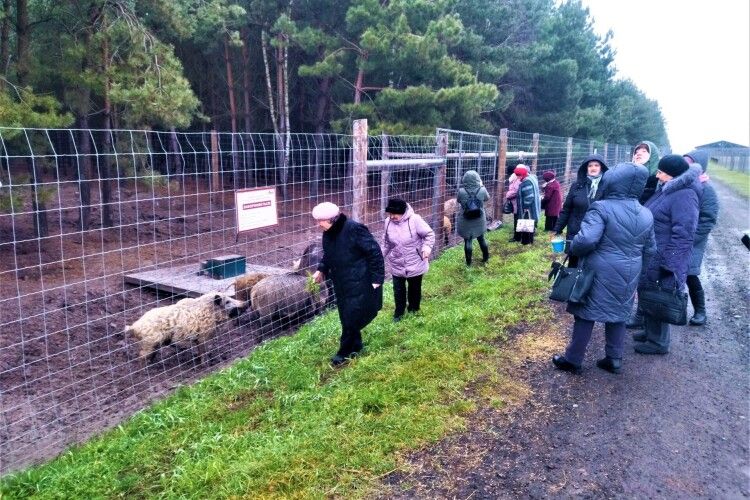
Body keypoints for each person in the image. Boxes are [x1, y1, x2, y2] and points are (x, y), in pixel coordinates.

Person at [552, 162, 655, 375]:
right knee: (619, 313)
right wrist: (638, 269)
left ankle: (573, 359)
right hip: (631, 269)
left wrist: (574, 246)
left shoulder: (602, 207)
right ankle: (614, 359)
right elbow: (651, 249)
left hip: (598, 270)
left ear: (612, 182)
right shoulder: (646, 213)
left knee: (585, 313)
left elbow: (586, 240)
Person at [633, 155, 701, 354]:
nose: (657, 175)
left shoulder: (685, 195)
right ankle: (648, 331)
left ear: (671, 175)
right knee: (648, 292)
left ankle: (658, 342)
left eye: (661, 172)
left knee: (660, 296)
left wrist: (670, 263)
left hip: (665, 255)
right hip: (654, 251)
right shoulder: (668, 189)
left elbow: (685, 233)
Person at [311, 202, 385, 366]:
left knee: (351, 315)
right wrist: (321, 269)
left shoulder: (354, 229)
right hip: (341, 281)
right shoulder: (328, 233)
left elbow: (374, 252)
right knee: (346, 314)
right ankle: (356, 345)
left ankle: (344, 352)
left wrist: (377, 279)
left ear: (332, 219)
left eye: (320, 221)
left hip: (359, 279)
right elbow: (329, 254)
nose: (318, 225)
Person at [625, 141, 663, 328]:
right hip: (627, 230)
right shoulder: (628, 175)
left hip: (646, 232)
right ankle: (630, 313)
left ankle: (641, 316)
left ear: (653, 155)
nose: (639, 153)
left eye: (644, 151)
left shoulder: (656, 180)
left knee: (644, 277)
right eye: (637, 151)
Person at [382, 198, 435, 322]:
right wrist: (379, 257)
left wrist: (426, 248)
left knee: (414, 289)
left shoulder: (415, 220)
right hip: (397, 262)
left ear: (403, 212)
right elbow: (386, 243)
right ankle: (399, 313)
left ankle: (413, 310)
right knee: (398, 290)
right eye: (390, 214)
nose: (392, 216)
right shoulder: (387, 222)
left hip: (415, 260)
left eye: (395, 214)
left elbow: (429, 234)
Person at [682, 150, 719, 325]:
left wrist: (691, 239)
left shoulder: (707, 189)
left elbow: (708, 219)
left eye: (690, 162)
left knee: (690, 274)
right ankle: (671, 309)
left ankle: (700, 311)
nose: (686, 165)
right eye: (684, 162)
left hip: (693, 241)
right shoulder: (681, 183)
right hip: (677, 237)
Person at [553, 154, 608, 267]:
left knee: (592, 265)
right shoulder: (577, 186)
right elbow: (567, 209)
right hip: (576, 232)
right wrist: (558, 228)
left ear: (601, 167)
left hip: (597, 232)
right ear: (585, 168)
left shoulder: (607, 187)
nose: (593, 168)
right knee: (573, 264)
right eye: (590, 165)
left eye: (596, 165)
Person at [456, 170, 490, 265]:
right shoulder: (482, 189)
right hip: (479, 218)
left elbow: (459, 200)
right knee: (481, 238)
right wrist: (481, 186)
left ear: (465, 180)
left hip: (466, 219)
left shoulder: (461, 191)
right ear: (477, 179)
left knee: (468, 240)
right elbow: (487, 198)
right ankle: (486, 258)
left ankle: (468, 263)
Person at [512, 165, 541, 245]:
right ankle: (529, 241)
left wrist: (525, 207)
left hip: (529, 208)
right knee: (531, 224)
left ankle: (526, 242)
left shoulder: (526, 182)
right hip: (533, 206)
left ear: (521, 175)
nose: (517, 177)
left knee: (526, 223)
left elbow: (529, 197)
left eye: (517, 176)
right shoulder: (532, 177)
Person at [504, 168, 523, 242]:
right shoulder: (515, 180)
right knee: (517, 219)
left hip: (517, 204)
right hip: (515, 204)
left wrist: (508, 194)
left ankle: (517, 237)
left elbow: (515, 192)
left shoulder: (517, 181)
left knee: (517, 220)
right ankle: (518, 236)